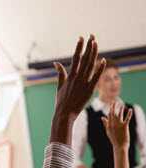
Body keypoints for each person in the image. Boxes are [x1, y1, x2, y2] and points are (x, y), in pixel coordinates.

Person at [72, 59, 146, 168]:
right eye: (107, 79)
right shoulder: (85, 116)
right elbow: (72, 156)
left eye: (116, 77)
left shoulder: (135, 111)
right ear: (96, 83)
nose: (113, 83)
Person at [43, 35, 107, 167]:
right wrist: (63, 115)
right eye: (107, 79)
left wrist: (62, 115)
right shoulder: (87, 115)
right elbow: (76, 159)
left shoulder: (133, 111)